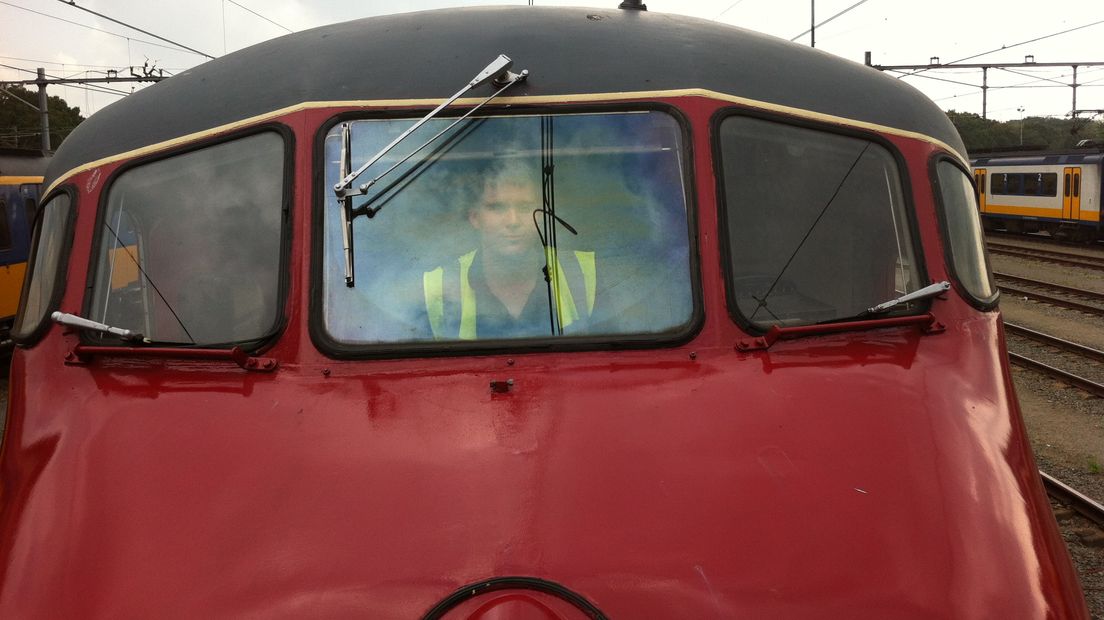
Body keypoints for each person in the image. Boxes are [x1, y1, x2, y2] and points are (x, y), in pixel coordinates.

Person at [422, 160, 596, 340]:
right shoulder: (438, 287)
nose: (512, 221)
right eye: (497, 207)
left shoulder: (584, 273)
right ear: (475, 217)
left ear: (543, 216)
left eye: (524, 207)